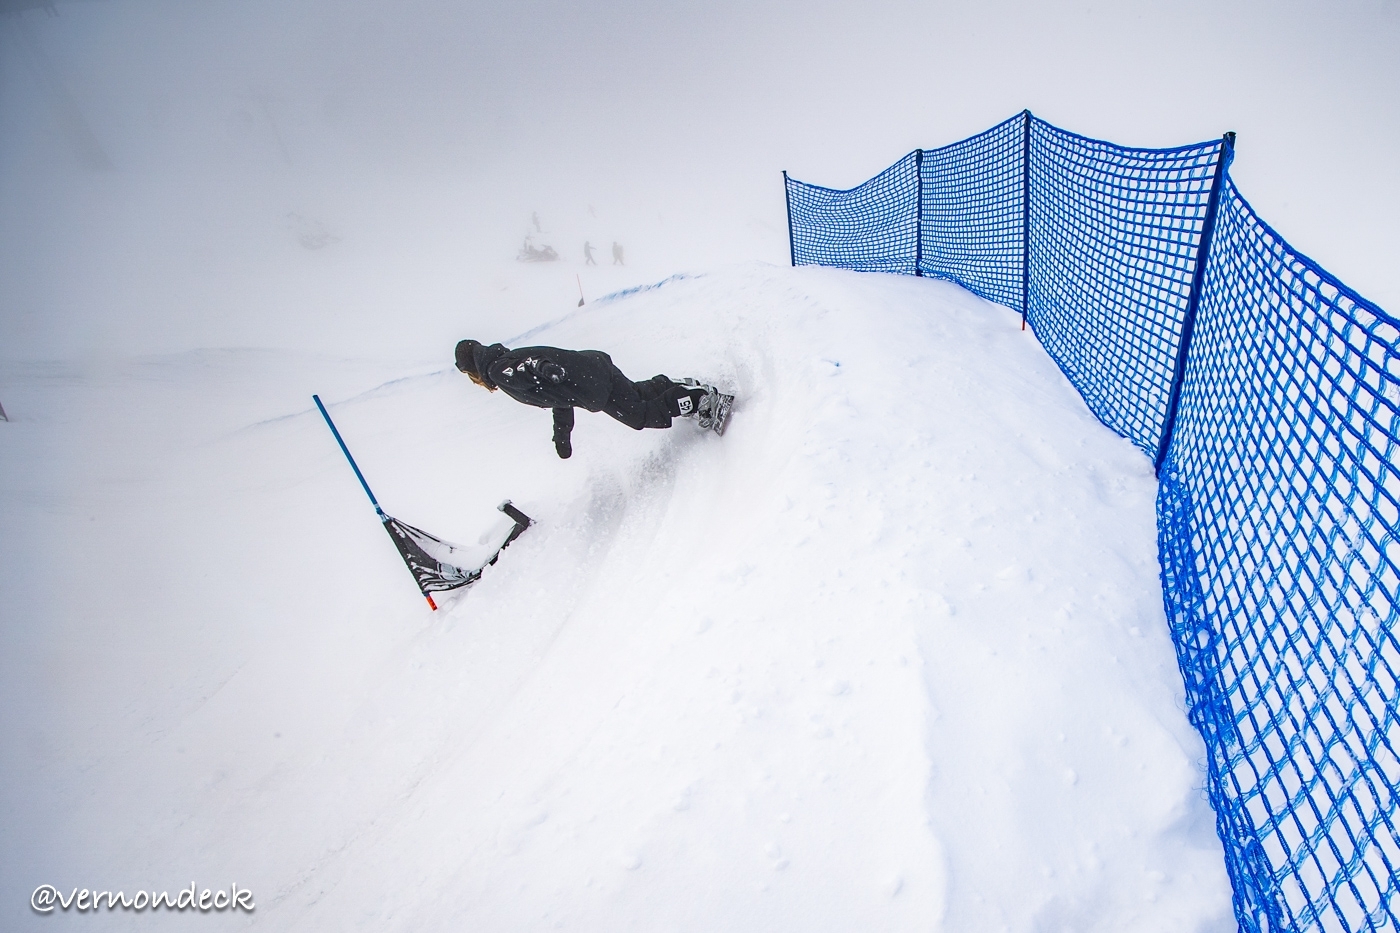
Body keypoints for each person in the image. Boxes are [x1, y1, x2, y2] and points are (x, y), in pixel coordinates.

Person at [455, 340, 719, 459]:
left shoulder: (500, 371)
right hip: (592, 367)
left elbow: (532, 366)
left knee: (640, 416)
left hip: (590, 384)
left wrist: (548, 370)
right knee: (636, 395)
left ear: (471, 370)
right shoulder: (504, 359)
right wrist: (562, 435)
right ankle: (674, 386)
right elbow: (558, 397)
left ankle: (699, 400)